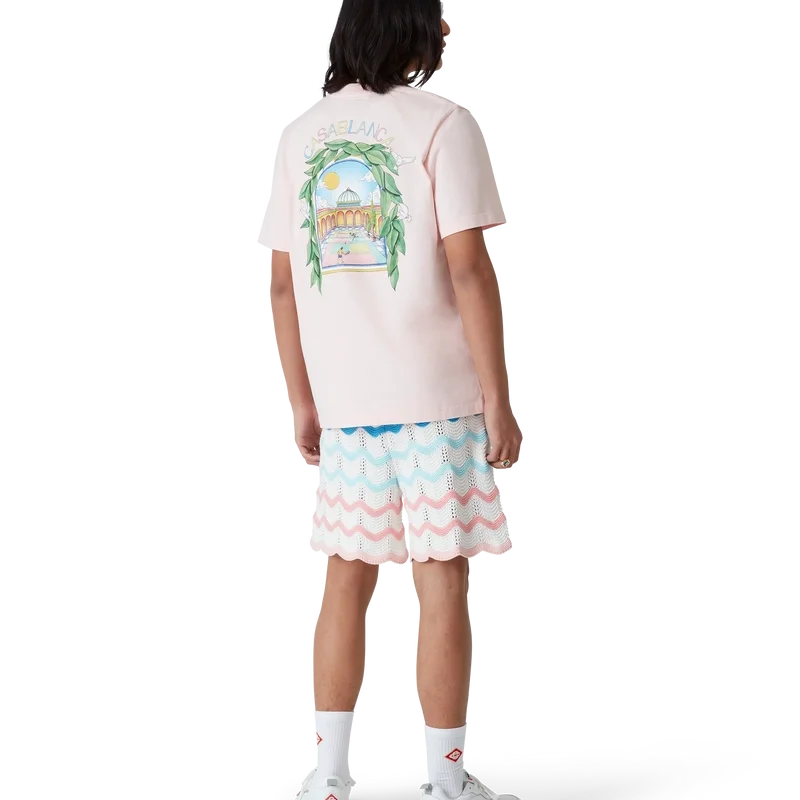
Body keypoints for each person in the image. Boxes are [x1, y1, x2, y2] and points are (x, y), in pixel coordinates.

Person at [267, 1, 523, 798]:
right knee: (439, 578)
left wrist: (301, 399)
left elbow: (283, 283)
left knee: (344, 579)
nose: (446, 29)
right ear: (413, 29)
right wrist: (499, 399)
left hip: (345, 403)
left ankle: (326, 777)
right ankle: (445, 783)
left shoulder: (300, 134)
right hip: (437, 399)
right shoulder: (443, 123)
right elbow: (469, 268)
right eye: (438, 17)